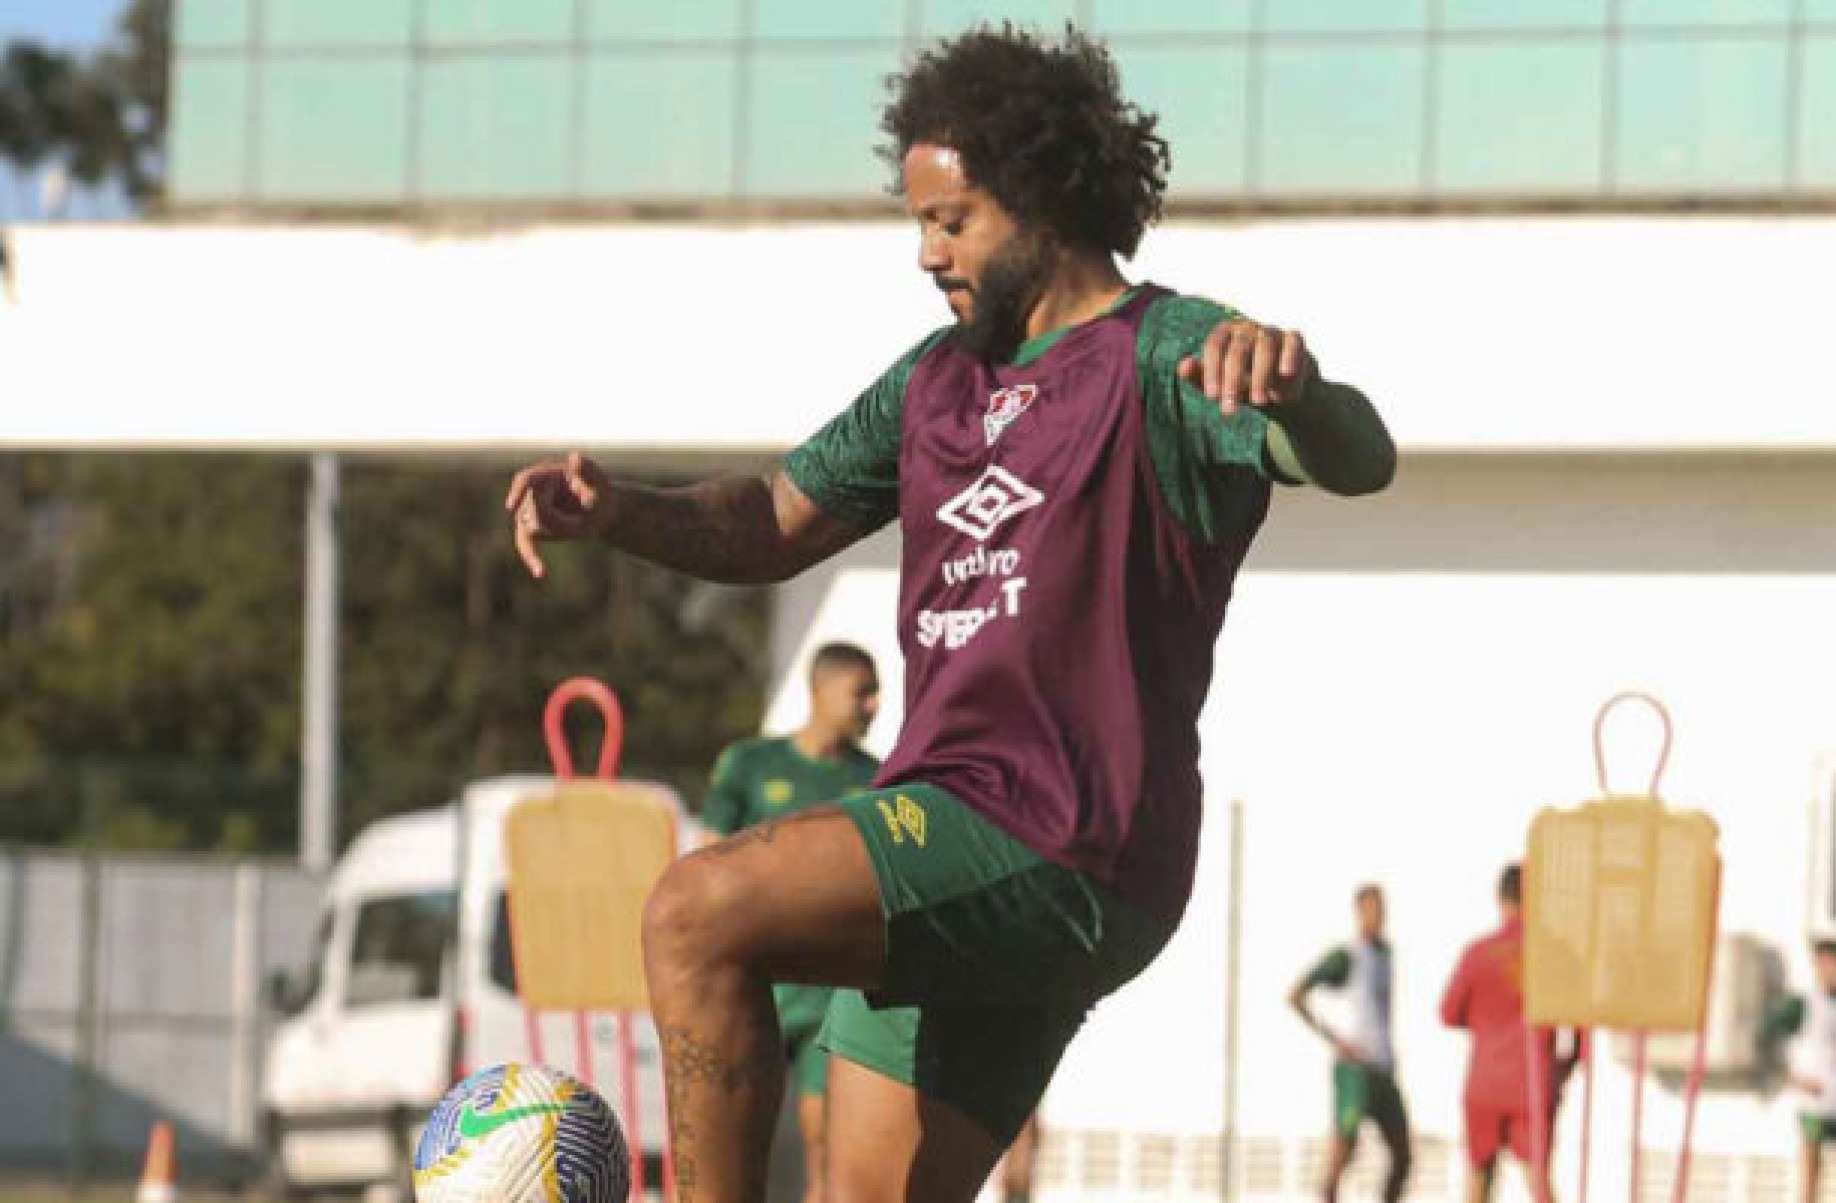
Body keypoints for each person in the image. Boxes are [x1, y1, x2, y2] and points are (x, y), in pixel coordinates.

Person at [505, 24, 1395, 1203]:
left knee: (694, 912)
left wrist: (1307, 393)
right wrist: (616, 509)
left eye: (952, 218)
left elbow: (1356, 459)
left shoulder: (1166, 353)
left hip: (1058, 829)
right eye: (918, 221)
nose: (927, 252)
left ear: (1038, 200)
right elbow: (770, 519)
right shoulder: (935, 381)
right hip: (970, 839)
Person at [701, 642, 882, 1203]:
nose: (874, 706)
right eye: (863, 692)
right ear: (820, 691)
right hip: (755, 984)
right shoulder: (750, 763)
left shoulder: (878, 778)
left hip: (831, 994)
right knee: (731, 1136)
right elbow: (707, 864)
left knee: (823, 1137)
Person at [1441, 864, 1585, 1203]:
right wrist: (1565, 1066)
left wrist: (1485, 1023)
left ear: (1501, 900)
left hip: (1484, 1082)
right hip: (1533, 1083)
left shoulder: (1477, 953)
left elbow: (1448, 1014)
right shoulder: (1557, 954)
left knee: (1478, 1177)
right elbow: (1581, 1026)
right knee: (1538, 1179)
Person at [1289, 885, 1411, 1203]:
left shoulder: (1385, 954)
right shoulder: (1346, 956)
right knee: (1343, 1153)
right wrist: (1333, 1038)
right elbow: (1296, 995)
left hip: (1382, 1067)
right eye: (1372, 910)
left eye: (1382, 910)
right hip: (1354, 1070)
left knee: (1403, 1153)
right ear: (1359, 912)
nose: (1379, 917)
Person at [1761, 938, 1836, 1203]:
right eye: (1829, 963)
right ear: (1819, 965)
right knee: (1811, 1167)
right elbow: (1765, 1038)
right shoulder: (1802, 1004)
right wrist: (1791, 1078)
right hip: (1815, 1097)